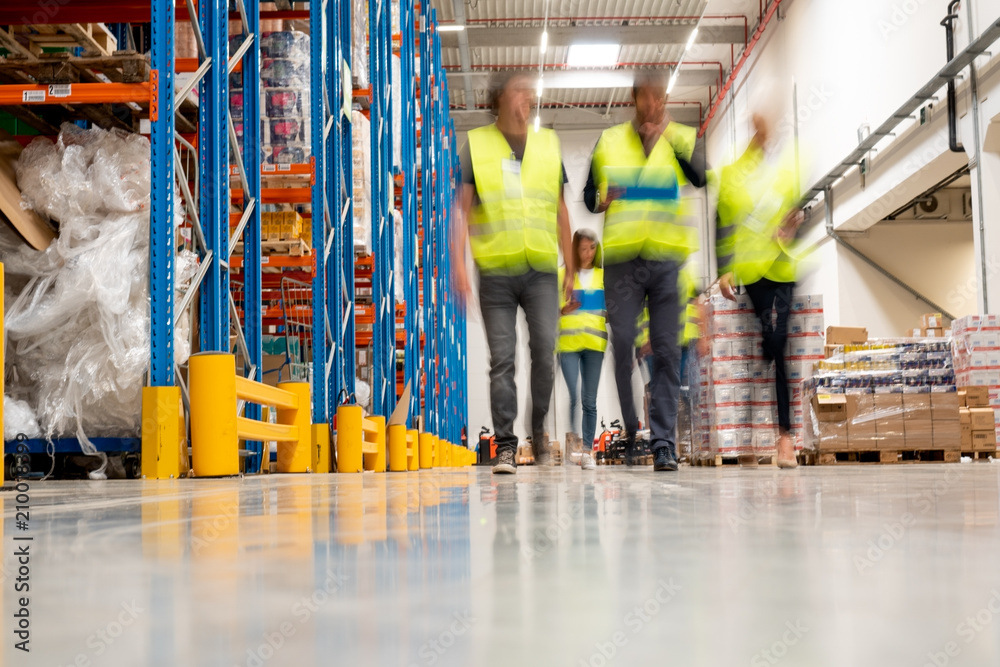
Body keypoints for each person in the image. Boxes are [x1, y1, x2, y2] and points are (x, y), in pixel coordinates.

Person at [584, 70, 707, 471]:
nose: (654, 103)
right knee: (621, 344)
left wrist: (669, 133)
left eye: (660, 97)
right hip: (622, 261)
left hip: (666, 260)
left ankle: (663, 444)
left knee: (669, 353)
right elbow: (589, 196)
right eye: (647, 96)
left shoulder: (681, 138)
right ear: (634, 97)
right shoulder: (609, 140)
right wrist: (602, 201)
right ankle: (633, 428)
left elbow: (701, 176)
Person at [453, 71, 575, 474]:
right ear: (500, 99)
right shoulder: (475, 146)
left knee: (544, 350)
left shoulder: (549, 143)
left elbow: (559, 209)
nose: (528, 96)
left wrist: (570, 267)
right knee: (502, 360)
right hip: (496, 273)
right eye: (520, 90)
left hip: (541, 269)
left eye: (529, 91)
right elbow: (462, 208)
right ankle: (505, 444)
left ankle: (536, 428)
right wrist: (459, 264)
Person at [714, 111, 805, 469]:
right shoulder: (735, 174)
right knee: (771, 340)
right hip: (752, 273)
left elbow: (800, 214)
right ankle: (767, 435)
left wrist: (793, 222)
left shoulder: (786, 175)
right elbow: (722, 221)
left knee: (778, 344)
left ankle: (786, 440)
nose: (764, 136)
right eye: (758, 131)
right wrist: (724, 270)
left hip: (783, 269)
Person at [557, 229, 606, 470]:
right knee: (575, 396)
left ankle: (588, 451)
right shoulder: (562, 275)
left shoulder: (603, 277)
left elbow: (611, 309)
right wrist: (562, 310)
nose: (588, 253)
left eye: (592, 248)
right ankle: (575, 445)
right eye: (583, 248)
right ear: (575, 249)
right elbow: (550, 309)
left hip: (595, 345)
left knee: (590, 401)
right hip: (568, 345)